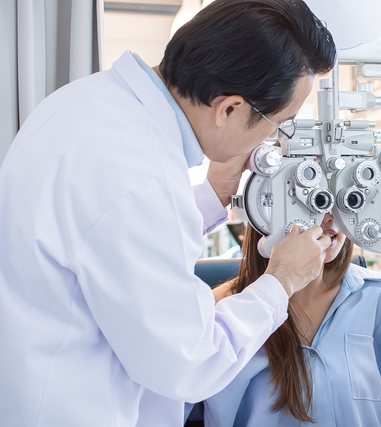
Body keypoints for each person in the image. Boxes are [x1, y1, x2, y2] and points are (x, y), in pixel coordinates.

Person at [0, 1, 336, 426]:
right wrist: (281, 282)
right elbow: (190, 361)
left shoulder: (85, 104)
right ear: (229, 109)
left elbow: (108, 246)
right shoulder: (141, 177)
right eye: (279, 122)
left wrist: (213, 194)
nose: (275, 137)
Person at [196, 214, 381, 427]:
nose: (329, 216)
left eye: (342, 199)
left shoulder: (377, 299)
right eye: (313, 199)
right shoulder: (223, 308)